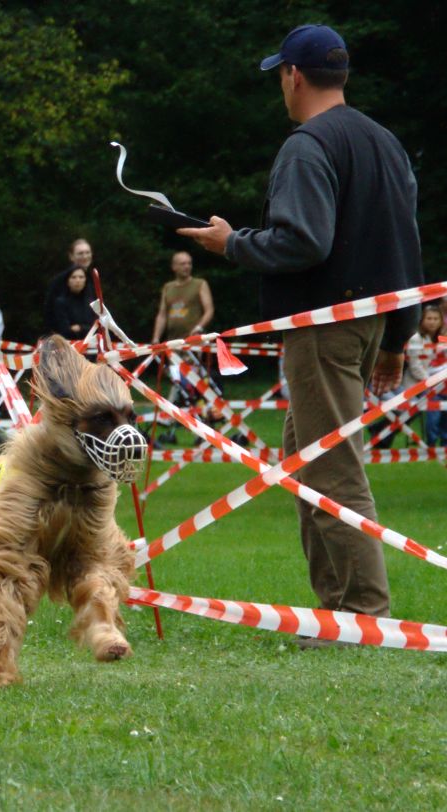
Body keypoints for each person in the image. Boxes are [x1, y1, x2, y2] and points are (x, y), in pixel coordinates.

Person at [178, 24, 424, 627]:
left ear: (293, 76)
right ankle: (337, 608)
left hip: (324, 327)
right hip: (367, 324)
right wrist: (398, 336)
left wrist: (231, 242)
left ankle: (363, 614)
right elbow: (404, 248)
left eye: (280, 77)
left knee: (333, 467)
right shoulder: (385, 142)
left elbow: (303, 241)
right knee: (303, 461)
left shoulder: (307, 145)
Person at [404, 305, 446, 446]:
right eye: (429, 318)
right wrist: (431, 382)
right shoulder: (416, 338)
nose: (432, 322)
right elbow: (415, 367)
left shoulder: (435, 338)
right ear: (422, 320)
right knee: (434, 406)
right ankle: (432, 442)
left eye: (436, 318)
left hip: (432, 382)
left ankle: (442, 441)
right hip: (417, 384)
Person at [151, 251, 215, 342]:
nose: (187, 266)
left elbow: (209, 310)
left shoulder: (200, 284)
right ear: (174, 267)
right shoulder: (167, 287)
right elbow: (162, 315)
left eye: (189, 263)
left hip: (193, 340)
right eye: (183, 264)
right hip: (172, 341)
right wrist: (156, 338)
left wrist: (199, 327)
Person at [43, 239, 95, 335]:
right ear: (71, 256)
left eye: (87, 252)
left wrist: (82, 328)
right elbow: (49, 313)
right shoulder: (59, 281)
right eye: (80, 253)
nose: (85, 256)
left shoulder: (92, 280)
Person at [53, 267, 95, 340]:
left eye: (81, 277)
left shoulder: (92, 302)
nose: (78, 280)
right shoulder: (60, 302)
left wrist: (80, 328)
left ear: (86, 280)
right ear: (67, 281)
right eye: (73, 277)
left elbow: (97, 328)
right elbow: (64, 330)